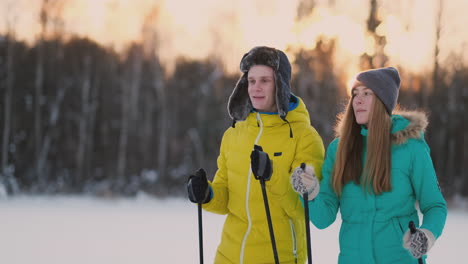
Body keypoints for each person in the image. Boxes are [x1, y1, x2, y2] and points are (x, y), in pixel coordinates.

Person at [291, 67, 447, 263]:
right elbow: (323, 218)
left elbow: (435, 205)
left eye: (367, 93)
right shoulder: (339, 150)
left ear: (383, 101)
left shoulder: (411, 148)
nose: (357, 100)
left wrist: (427, 234)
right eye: (355, 94)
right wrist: (310, 193)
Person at [186, 46, 325, 264]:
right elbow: (226, 200)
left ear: (280, 85)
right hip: (228, 256)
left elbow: (303, 208)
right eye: (251, 81)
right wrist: (207, 195)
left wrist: (272, 175)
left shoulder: (304, 137)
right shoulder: (233, 134)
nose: (256, 88)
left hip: (279, 258)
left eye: (265, 81)